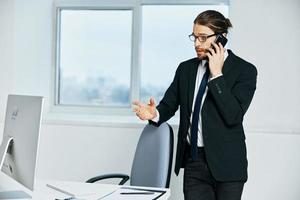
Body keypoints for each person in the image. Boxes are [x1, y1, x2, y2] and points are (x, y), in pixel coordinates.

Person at [133, 10, 257, 200]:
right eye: (194, 37)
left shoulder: (245, 70)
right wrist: (154, 114)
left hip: (228, 165)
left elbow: (234, 115)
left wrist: (217, 75)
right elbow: (169, 105)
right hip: (194, 163)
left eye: (203, 37)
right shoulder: (186, 69)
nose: (197, 44)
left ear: (221, 38)